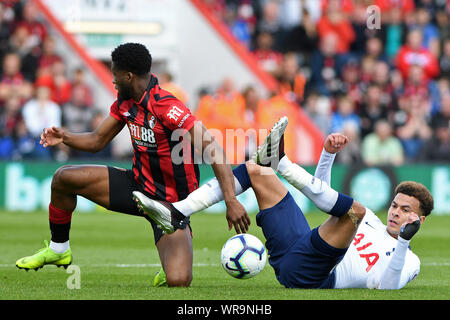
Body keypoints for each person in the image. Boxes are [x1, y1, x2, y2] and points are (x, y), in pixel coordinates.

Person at [15, 43, 250, 287]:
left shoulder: (167, 106)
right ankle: (59, 248)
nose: (113, 80)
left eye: (114, 73)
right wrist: (65, 137)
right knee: (64, 177)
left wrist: (231, 200)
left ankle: (170, 260)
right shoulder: (126, 101)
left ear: (129, 76)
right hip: (137, 187)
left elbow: (213, 149)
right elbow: (98, 140)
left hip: (171, 206)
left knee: (178, 281)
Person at [134, 117, 434, 289]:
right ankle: (177, 212)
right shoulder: (371, 220)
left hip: (314, 276)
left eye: (405, 210)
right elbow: (327, 205)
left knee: (353, 211)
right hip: (299, 246)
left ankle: (282, 161)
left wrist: (405, 244)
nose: (395, 212)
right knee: (256, 170)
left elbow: (385, 287)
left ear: (419, 220)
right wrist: (327, 156)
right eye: (395, 205)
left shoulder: (411, 260)